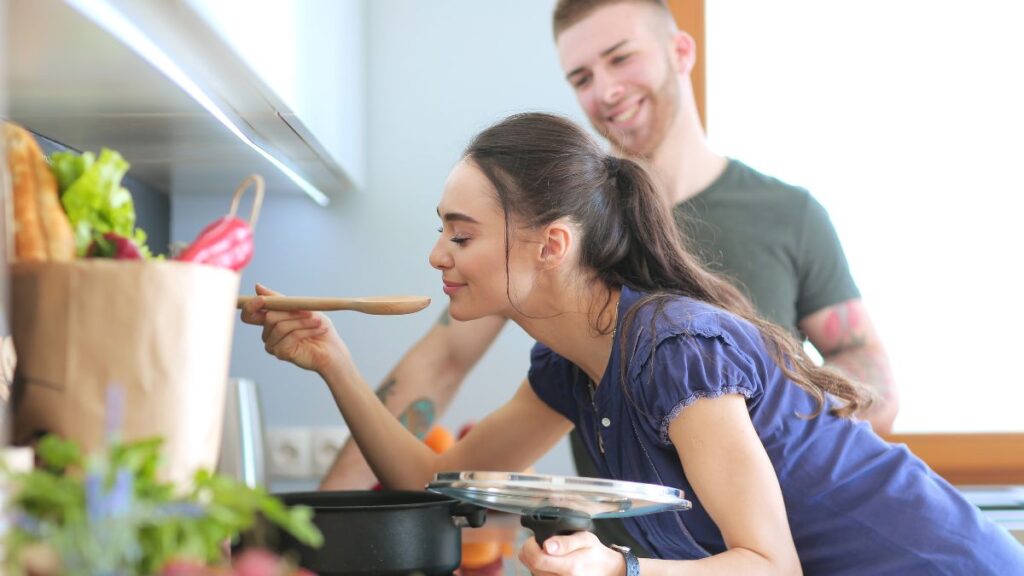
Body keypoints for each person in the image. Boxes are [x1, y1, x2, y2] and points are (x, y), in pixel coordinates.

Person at [243, 112, 1023, 575]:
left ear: (551, 244)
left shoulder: (674, 349)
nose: (437, 256)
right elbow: (435, 481)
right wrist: (332, 361)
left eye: (461, 233)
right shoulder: (571, 366)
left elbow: (767, 565)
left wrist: (620, 565)